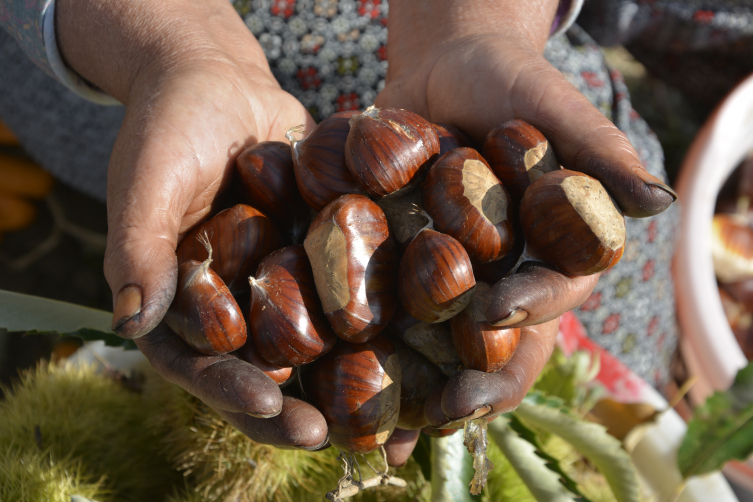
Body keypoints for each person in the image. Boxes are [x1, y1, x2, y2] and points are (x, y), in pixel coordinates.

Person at [0, 0, 678, 466]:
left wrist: (471, 23)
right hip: (124, 39)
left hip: (425, 43)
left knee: (618, 306)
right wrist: (172, 53)